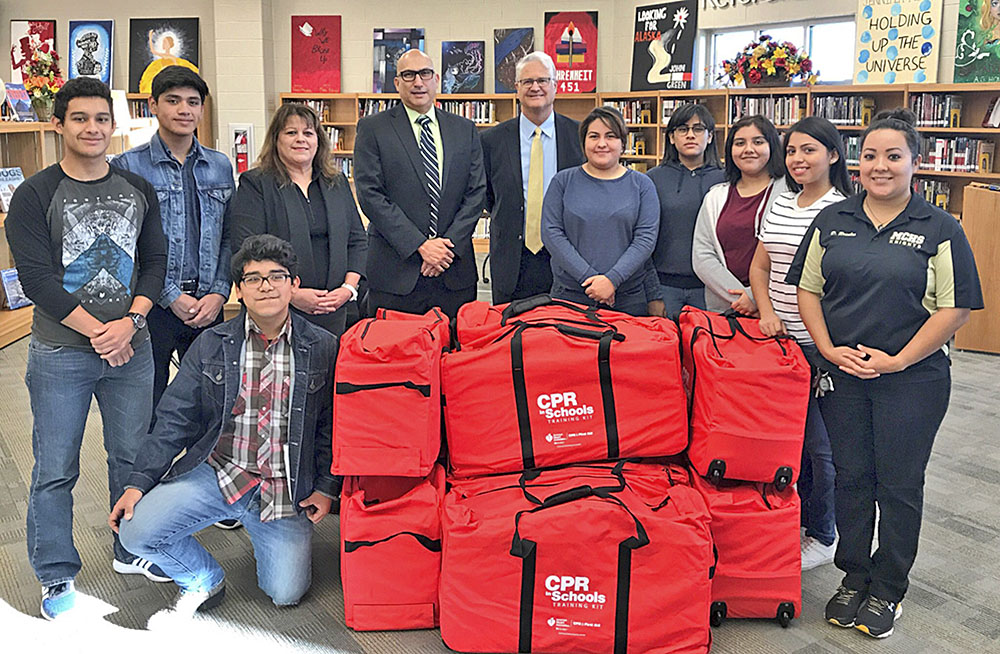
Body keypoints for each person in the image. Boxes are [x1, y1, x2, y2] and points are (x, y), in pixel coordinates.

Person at [787, 108, 983, 639]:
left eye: (893, 156)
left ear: (914, 163)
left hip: (912, 380)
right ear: (857, 161)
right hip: (843, 375)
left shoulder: (940, 228)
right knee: (852, 477)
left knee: (897, 484)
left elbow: (954, 309)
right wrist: (827, 348)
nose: (880, 166)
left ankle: (889, 586)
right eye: (870, 155)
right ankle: (854, 575)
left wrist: (898, 360)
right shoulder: (834, 221)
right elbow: (807, 289)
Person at [4, 77, 169, 620]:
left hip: (132, 347)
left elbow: (154, 262)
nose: (92, 128)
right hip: (61, 355)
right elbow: (36, 279)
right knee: (55, 466)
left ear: (113, 124)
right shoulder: (34, 194)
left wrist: (132, 320)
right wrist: (101, 332)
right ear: (59, 125)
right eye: (80, 119)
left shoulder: (137, 189)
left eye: (101, 118)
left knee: (132, 456)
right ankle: (55, 573)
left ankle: (131, 550)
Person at [111, 234, 339, 615]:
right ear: (239, 291)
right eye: (253, 279)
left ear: (294, 285)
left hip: (284, 486)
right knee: (137, 532)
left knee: (286, 593)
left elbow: (332, 427)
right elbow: (173, 419)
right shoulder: (211, 344)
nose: (266, 286)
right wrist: (137, 484)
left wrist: (326, 488)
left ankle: (267, 535)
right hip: (220, 473)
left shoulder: (324, 346)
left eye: (276, 276)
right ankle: (203, 578)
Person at [748, 116, 852, 572]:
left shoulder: (844, 209)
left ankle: (825, 533)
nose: (798, 160)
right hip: (779, 342)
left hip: (823, 346)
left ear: (833, 155)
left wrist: (822, 338)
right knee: (790, 442)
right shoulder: (781, 203)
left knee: (822, 446)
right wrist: (767, 312)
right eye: (791, 151)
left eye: (809, 150)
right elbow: (759, 267)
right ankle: (801, 520)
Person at [113, 66, 234, 420]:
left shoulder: (219, 165)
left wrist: (220, 293)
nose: (185, 109)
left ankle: (197, 475)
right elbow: (127, 246)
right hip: (153, 307)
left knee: (211, 405)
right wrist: (168, 296)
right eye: (173, 100)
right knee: (147, 407)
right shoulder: (128, 167)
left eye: (193, 102)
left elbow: (230, 235)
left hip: (209, 304)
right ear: (153, 104)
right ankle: (150, 476)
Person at [354, 48, 486, 319]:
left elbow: (476, 193)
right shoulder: (373, 128)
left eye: (424, 73)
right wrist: (420, 246)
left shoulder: (464, 129)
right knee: (394, 357)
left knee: (454, 355)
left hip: (454, 273)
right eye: (409, 75)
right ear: (397, 83)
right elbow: (370, 195)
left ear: (436, 78)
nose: (418, 82)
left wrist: (446, 246)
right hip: (396, 274)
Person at [232, 102, 367, 336]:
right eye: (291, 132)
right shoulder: (256, 183)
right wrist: (292, 294)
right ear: (276, 139)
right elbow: (247, 249)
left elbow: (357, 240)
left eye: (308, 133)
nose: (300, 139)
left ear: (319, 140)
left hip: (336, 309)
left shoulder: (336, 182)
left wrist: (348, 288)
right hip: (277, 309)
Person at [481, 51, 584, 304]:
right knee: (511, 339)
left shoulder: (580, 136)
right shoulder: (491, 141)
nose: (535, 87)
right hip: (512, 264)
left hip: (568, 260)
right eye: (527, 82)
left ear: (555, 86)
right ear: (516, 88)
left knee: (566, 337)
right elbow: (488, 197)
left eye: (543, 80)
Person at [541, 106, 659, 316]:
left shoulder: (643, 184)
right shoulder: (562, 181)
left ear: (623, 143)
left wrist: (612, 280)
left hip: (627, 298)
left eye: (611, 136)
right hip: (570, 295)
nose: (602, 143)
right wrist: (591, 280)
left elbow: (645, 239)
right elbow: (552, 234)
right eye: (594, 136)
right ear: (584, 142)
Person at [692, 115, 787, 314]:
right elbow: (702, 256)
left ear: (772, 146)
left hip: (777, 308)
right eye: (740, 143)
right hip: (725, 307)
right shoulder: (715, 196)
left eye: (758, 142)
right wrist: (742, 298)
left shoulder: (790, 192)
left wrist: (756, 296)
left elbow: (791, 256)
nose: (748, 149)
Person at [648, 103, 726, 318]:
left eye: (698, 129)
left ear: (710, 137)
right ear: (671, 137)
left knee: (708, 349)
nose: (690, 135)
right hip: (665, 287)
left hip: (713, 288)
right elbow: (643, 239)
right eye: (683, 129)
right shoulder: (652, 179)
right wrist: (654, 294)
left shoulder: (727, 180)